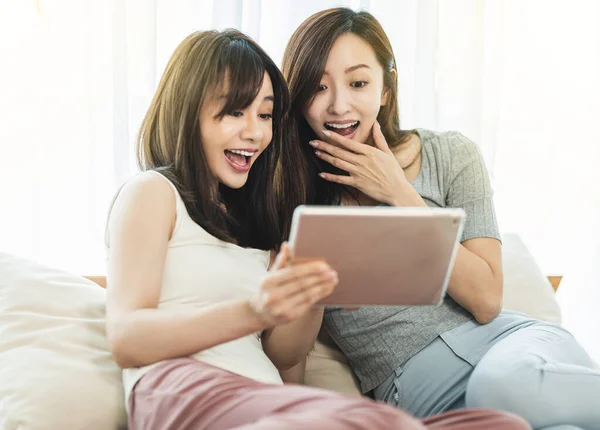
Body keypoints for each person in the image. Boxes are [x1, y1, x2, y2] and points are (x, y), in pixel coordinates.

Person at [103, 29, 528, 430]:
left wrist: (315, 285)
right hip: (185, 389)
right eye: (235, 111)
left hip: (265, 398)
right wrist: (253, 312)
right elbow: (125, 337)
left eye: (266, 114)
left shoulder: (259, 228)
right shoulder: (153, 192)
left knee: (503, 423)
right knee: (377, 420)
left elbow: (286, 359)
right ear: (187, 110)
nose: (255, 133)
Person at [281, 7, 600, 430]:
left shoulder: (450, 155)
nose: (339, 105)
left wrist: (400, 194)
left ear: (385, 90)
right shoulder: (290, 196)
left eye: (358, 83)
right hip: (417, 391)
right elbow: (287, 356)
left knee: (505, 388)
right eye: (318, 88)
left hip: (517, 352)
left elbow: (486, 300)